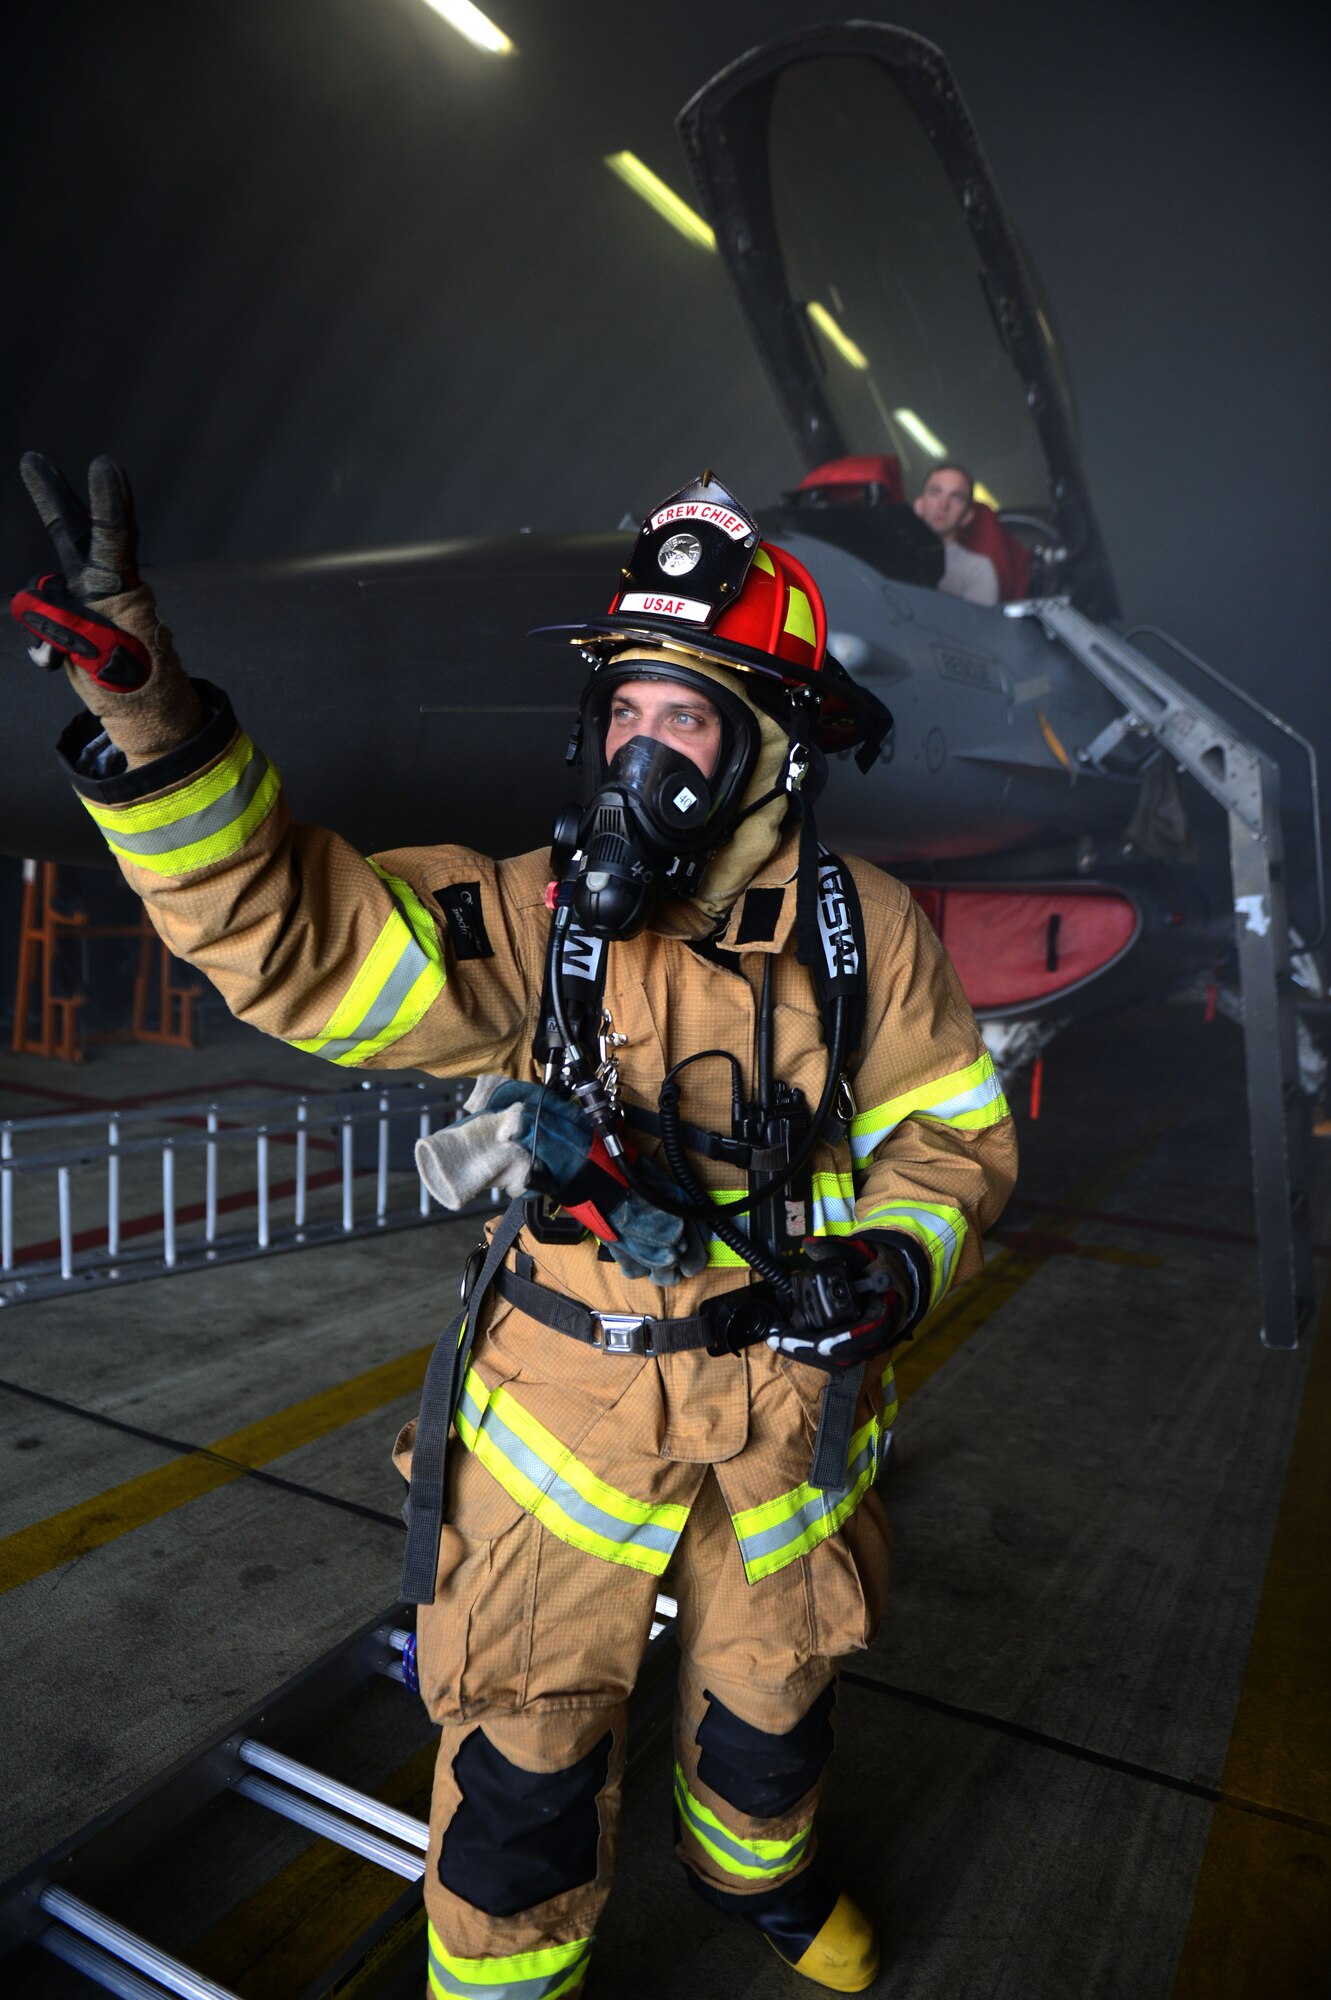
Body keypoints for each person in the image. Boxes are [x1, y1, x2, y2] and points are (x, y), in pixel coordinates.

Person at [13, 460, 1017, 1996]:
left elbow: (947, 1137)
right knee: (525, 1764)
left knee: (775, 1696)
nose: (638, 753)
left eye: (680, 716)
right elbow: (301, 946)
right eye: (621, 712)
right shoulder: (539, 919)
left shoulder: (863, 934)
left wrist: (891, 1264)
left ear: (768, 744)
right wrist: (162, 735)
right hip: (569, 1410)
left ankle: (754, 1881)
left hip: (786, 1413)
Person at [913, 463, 999, 606]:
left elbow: (978, 625)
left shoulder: (977, 569)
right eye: (935, 493)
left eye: (956, 497)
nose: (943, 505)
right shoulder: (892, 554)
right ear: (919, 505)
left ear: (967, 516)